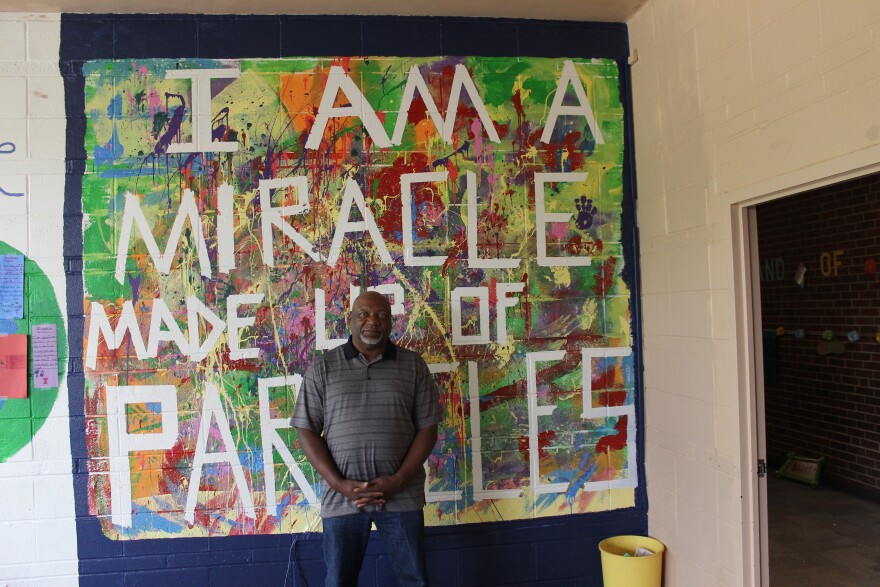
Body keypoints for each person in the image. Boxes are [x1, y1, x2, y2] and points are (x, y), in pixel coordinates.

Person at [291, 291, 441, 587]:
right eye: (363, 314)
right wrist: (338, 484)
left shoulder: (413, 365)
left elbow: (428, 428)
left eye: (381, 315)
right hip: (343, 499)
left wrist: (398, 480)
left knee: (415, 581)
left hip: (402, 496)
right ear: (350, 320)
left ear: (391, 322)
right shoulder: (324, 367)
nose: (372, 321)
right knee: (338, 582)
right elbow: (306, 429)